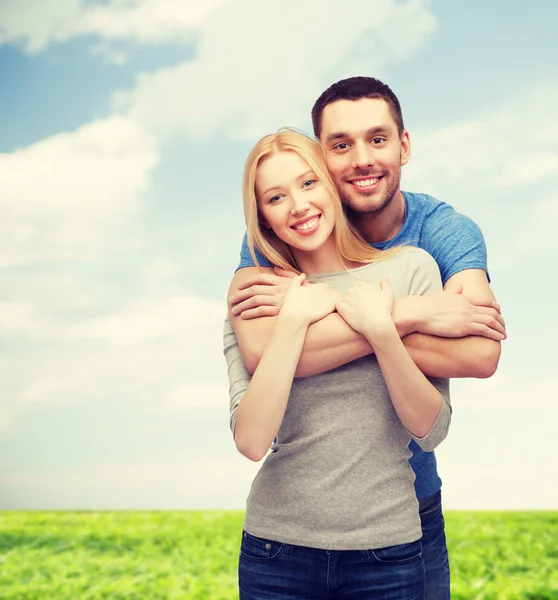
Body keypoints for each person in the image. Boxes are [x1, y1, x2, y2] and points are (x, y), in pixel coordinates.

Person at [227, 77, 506, 600]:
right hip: (281, 539)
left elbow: (479, 349)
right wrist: (406, 315)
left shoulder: (437, 238)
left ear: (404, 144)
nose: (360, 159)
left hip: (403, 508)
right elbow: (261, 356)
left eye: (377, 139)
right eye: (339, 145)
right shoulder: (271, 252)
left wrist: (370, 319)